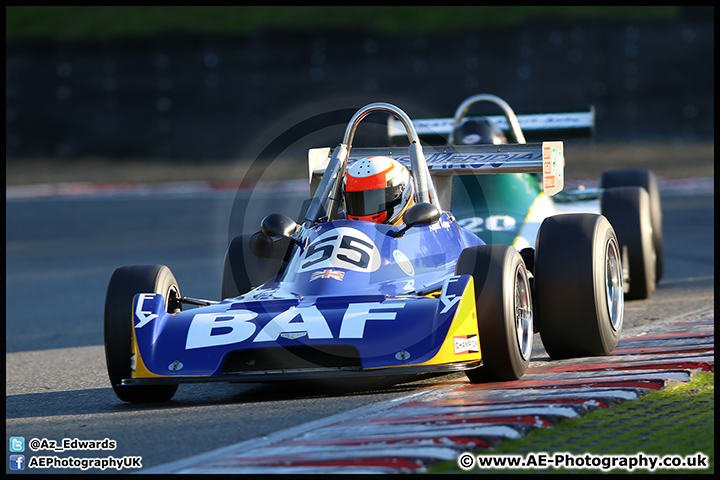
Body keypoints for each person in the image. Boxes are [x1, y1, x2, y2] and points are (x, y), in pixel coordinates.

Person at [342, 156, 415, 225]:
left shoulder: (417, 230)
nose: (366, 207)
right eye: (358, 201)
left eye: (374, 200)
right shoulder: (340, 226)